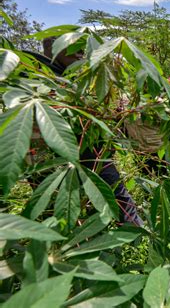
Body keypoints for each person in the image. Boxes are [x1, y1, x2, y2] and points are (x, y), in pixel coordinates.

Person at [28, 37, 144, 226]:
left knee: (115, 192)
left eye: (82, 49)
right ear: (51, 49)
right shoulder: (32, 78)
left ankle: (136, 233)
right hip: (49, 160)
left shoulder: (77, 78)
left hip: (92, 151)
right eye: (74, 47)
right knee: (54, 204)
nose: (80, 53)